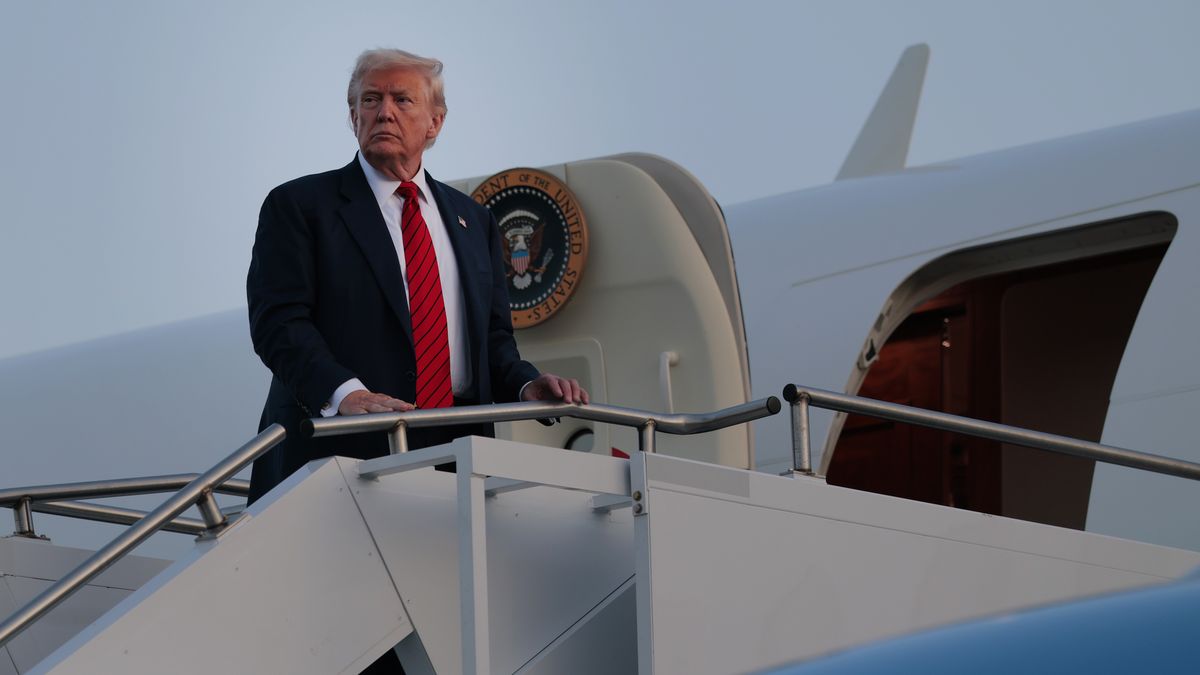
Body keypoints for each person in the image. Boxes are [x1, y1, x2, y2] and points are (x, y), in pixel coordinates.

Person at [246, 48, 587, 502]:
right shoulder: (300, 206)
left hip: (456, 458)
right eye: (370, 100)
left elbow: (492, 342)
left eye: (401, 100)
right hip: (339, 457)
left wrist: (527, 383)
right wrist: (343, 394)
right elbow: (278, 323)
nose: (384, 111)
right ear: (353, 116)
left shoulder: (473, 220)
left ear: (435, 123)